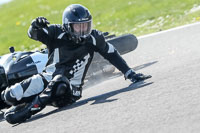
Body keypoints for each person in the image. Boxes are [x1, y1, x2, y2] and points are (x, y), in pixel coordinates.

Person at [1, 4, 151, 124]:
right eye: (78, 27)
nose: (83, 30)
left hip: (71, 90)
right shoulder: (55, 32)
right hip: (46, 79)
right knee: (9, 95)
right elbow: (32, 34)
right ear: (67, 26)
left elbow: (112, 54)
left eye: (86, 26)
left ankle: (31, 109)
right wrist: (35, 26)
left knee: (59, 81)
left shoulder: (94, 37)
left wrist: (130, 73)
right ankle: (22, 104)